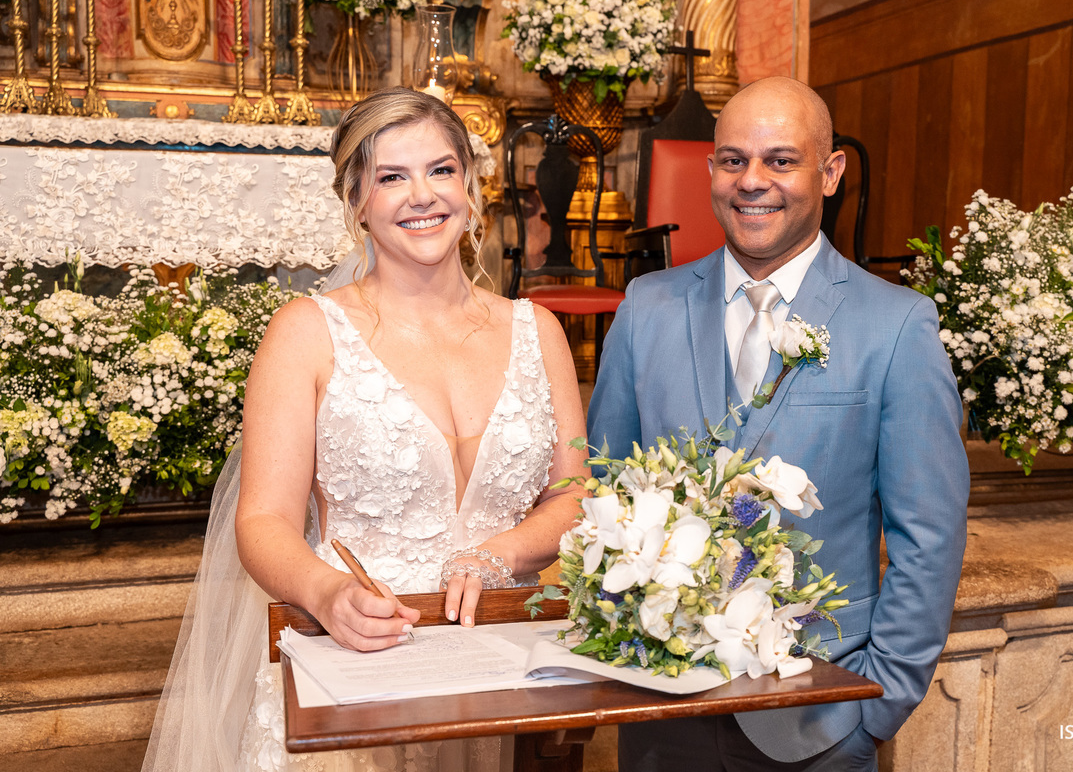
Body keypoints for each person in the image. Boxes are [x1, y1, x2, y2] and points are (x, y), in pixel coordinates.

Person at [143, 87, 587, 771]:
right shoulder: (307, 335)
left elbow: (571, 496)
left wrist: (502, 553)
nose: (423, 195)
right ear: (357, 202)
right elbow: (262, 520)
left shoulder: (540, 332)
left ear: (472, 186)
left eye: (441, 170)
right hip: (357, 668)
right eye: (391, 177)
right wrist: (326, 593)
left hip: (504, 674)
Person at [588, 76, 970, 771]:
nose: (752, 181)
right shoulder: (646, 308)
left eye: (781, 161)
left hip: (819, 721)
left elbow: (930, 542)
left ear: (829, 173)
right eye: (733, 160)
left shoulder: (897, 326)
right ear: (709, 171)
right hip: (660, 714)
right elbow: (602, 492)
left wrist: (873, 712)